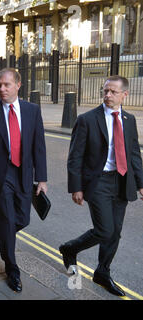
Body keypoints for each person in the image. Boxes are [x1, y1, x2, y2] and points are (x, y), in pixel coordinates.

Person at [61, 75, 143, 297]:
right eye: (105, 91)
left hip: (123, 180)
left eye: (113, 92)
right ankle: (70, 249)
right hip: (98, 182)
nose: (107, 95)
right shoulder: (88, 119)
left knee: (115, 232)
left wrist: (141, 183)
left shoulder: (129, 119)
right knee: (105, 230)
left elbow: (134, 153)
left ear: (124, 95)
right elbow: (75, 157)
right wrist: (76, 187)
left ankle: (103, 272)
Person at [0, 68, 47, 293]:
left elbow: (39, 146)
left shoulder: (32, 110)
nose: (1, 89)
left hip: (24, 174)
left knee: (22, 220)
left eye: (6, 85)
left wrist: (42, 179)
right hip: (1, 177)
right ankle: (12, 269)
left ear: (18, 85)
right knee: (7, 222)